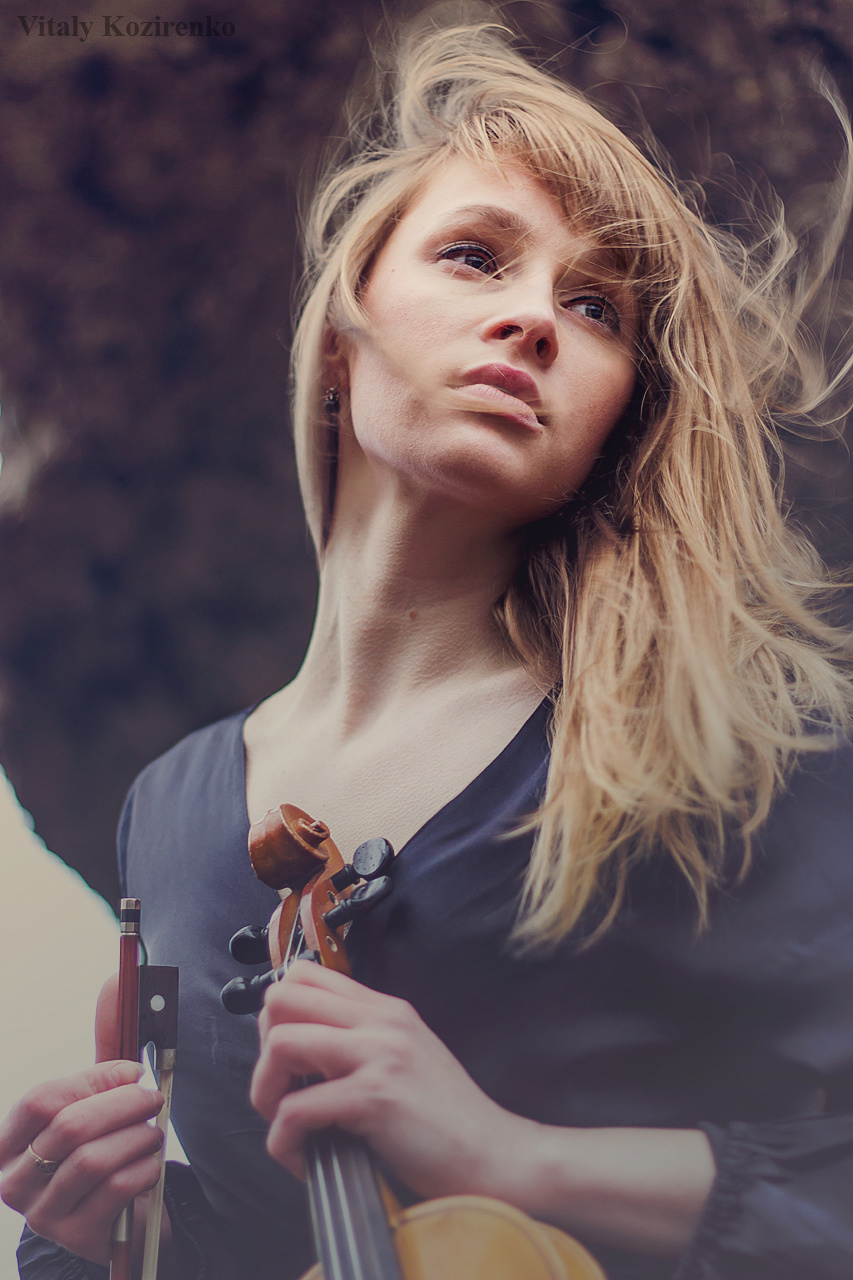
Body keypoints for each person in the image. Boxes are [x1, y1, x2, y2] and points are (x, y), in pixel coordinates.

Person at [2, 18, 853, 1280]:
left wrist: (513, 1158)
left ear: (615, 422)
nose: (533, 320)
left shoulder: (747, 749)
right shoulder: (166, 811)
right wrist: (118, 1234)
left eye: (595, 308)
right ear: (337, 347)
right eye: (474, 256)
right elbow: (252, 1234)